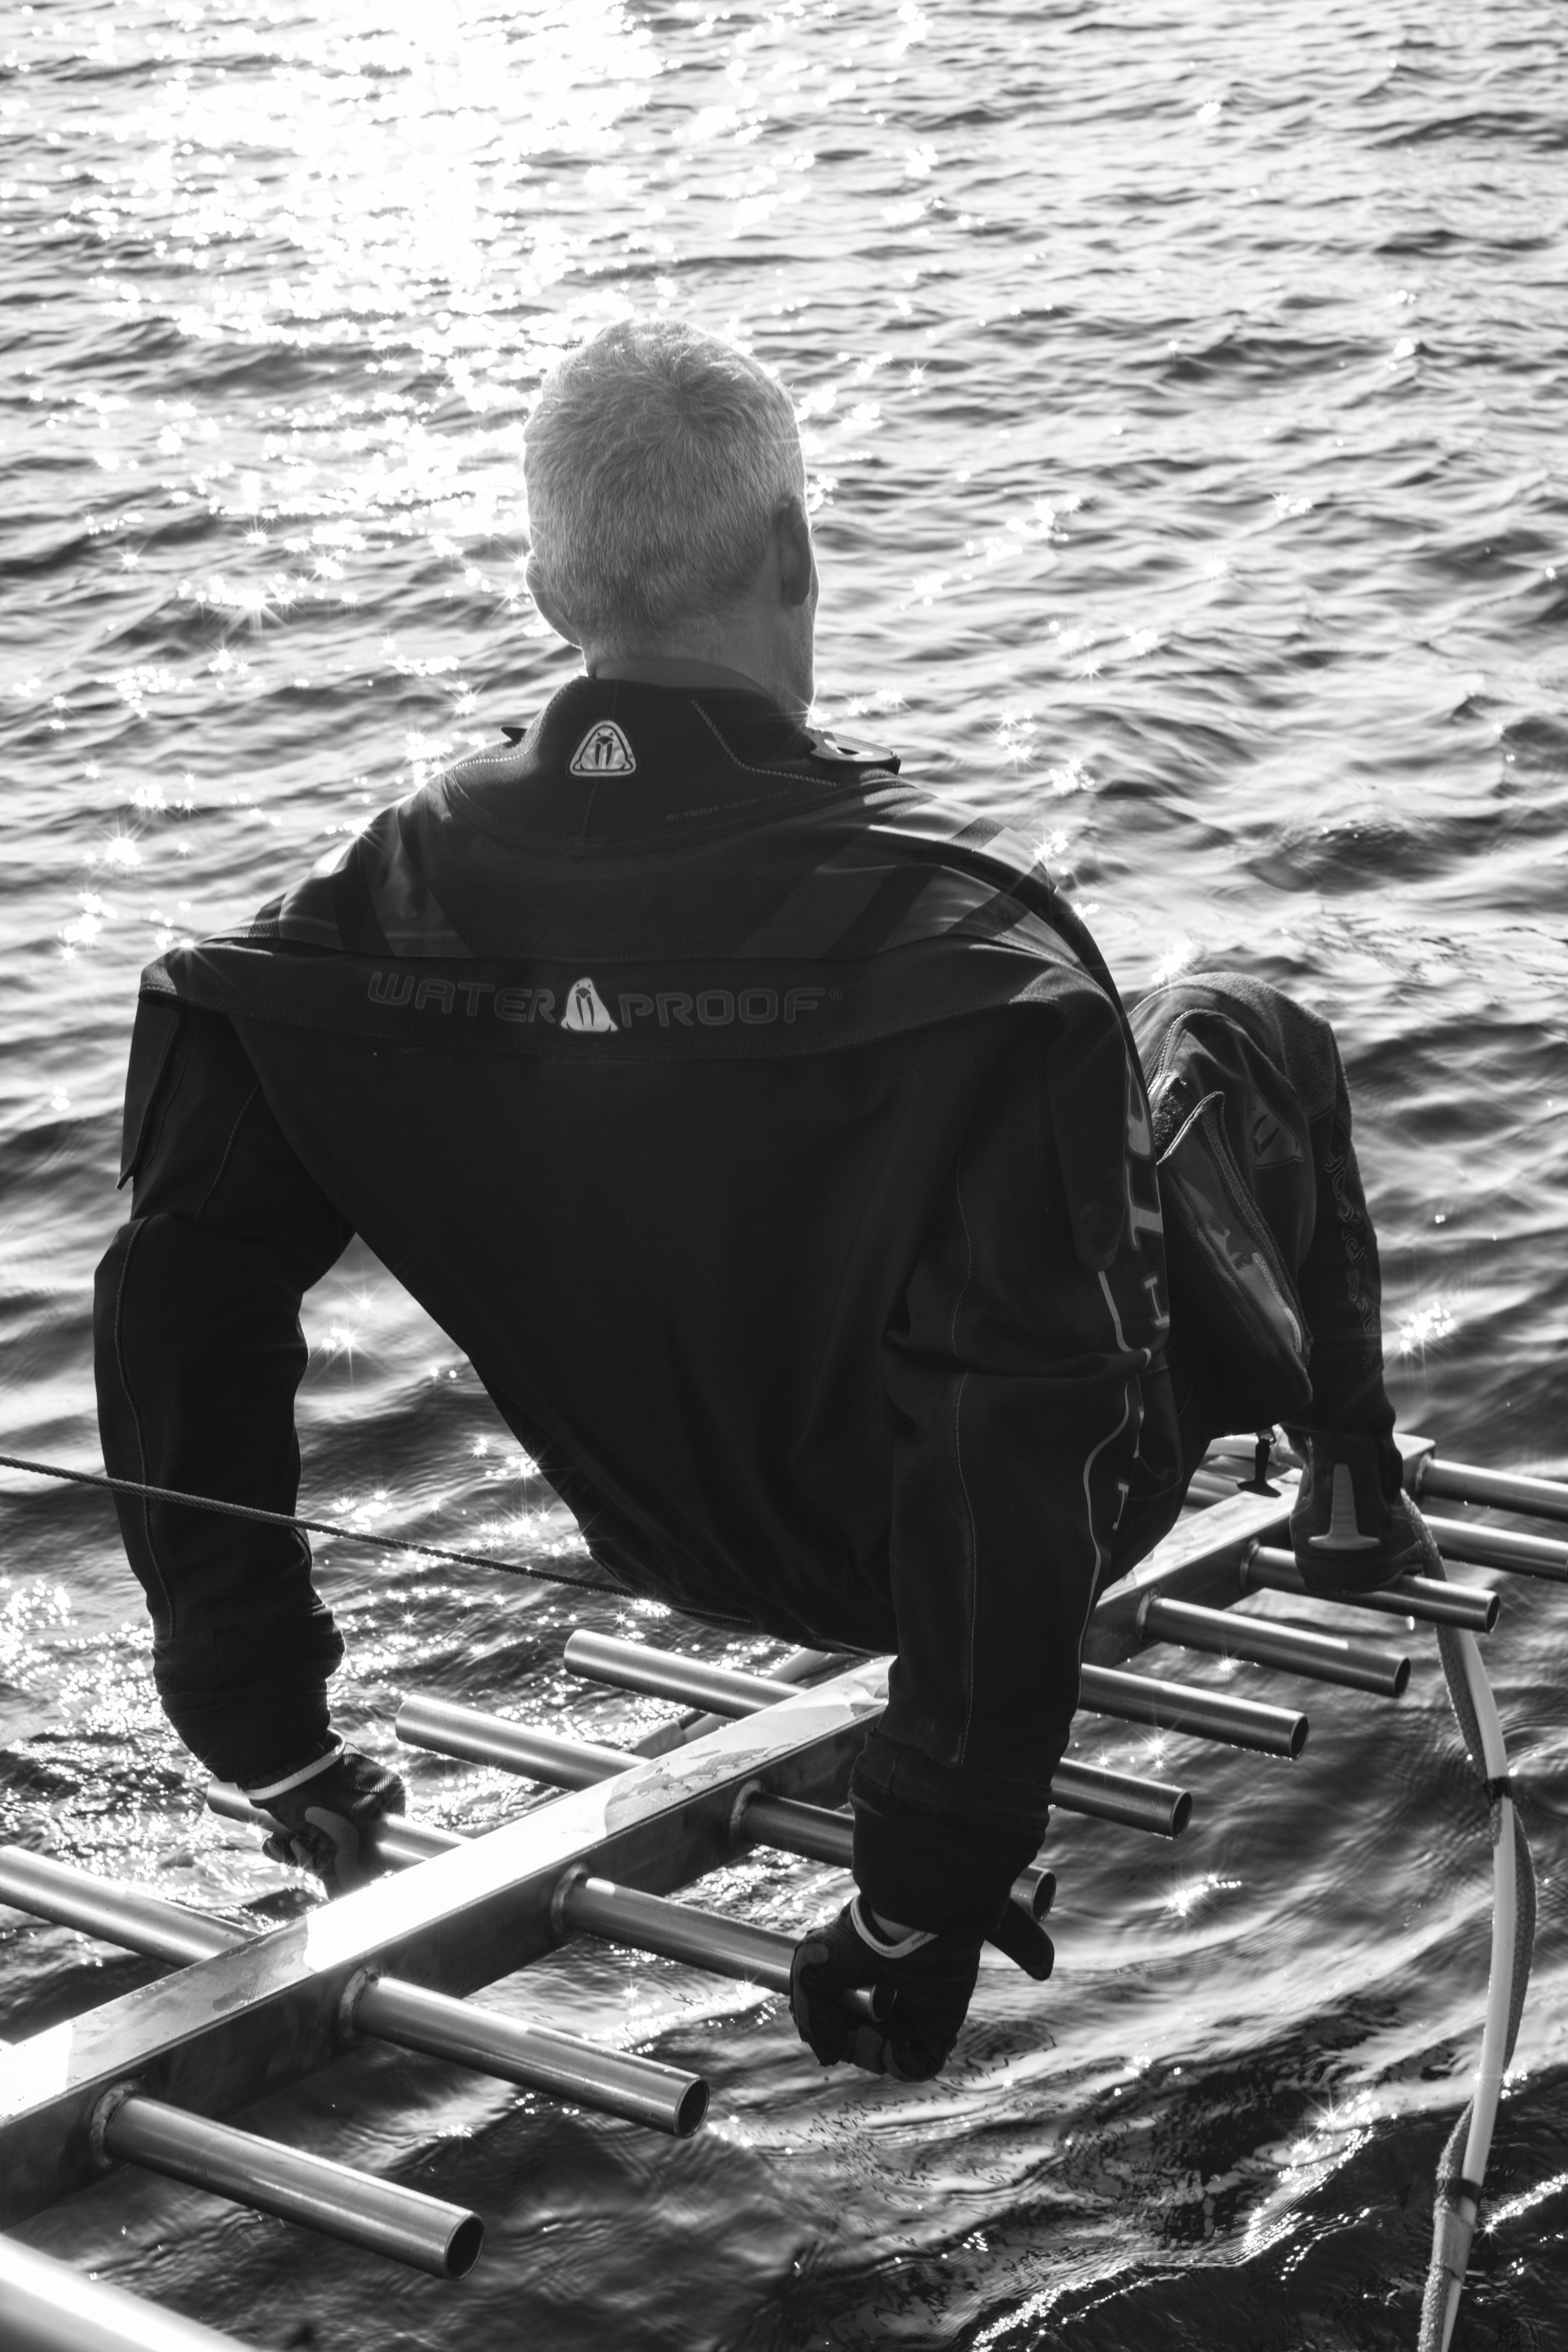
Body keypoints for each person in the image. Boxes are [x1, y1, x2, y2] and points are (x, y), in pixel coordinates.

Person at [94, 317, 1432, 2084]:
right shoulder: (974, 964)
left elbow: (176, 1311)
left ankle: (263, 1732)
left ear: (545, 586)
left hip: (665, 1538)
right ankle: (1349, 1489)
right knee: (1239, 1032)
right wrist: (921, 1896)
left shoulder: (335, 929)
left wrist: (265, 1730)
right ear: (795, 553)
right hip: (977, 1546)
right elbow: (1016, 1437)